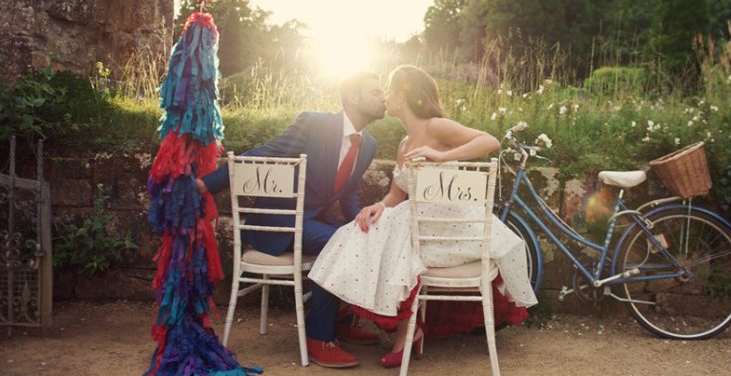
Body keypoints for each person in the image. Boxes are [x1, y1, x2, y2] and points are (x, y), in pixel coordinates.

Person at [308, 65, 538, 369]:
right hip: (420, 229)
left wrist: (441, 156)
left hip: (451, 231)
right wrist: (380, 206)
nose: (386, 96)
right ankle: (397, 330)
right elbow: (395, 196)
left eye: (389, 89)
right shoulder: (404, 144)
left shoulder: (436, 127)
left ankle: (399, 332)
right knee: (362, 232)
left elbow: (489, 141)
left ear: (403, 94)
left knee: (396, 244)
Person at [197, 72, 386, 369]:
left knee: (360, 236)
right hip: (280, 222)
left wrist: (362, 224)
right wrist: (208, 184)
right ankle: (319, 337)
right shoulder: (314, 123)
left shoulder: (369, 143)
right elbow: (264, 154)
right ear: (353, 97)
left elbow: (349, 192)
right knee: (337, 242)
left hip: (312, 222)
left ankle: (342, 318)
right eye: (376, 92)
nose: (383, 97)